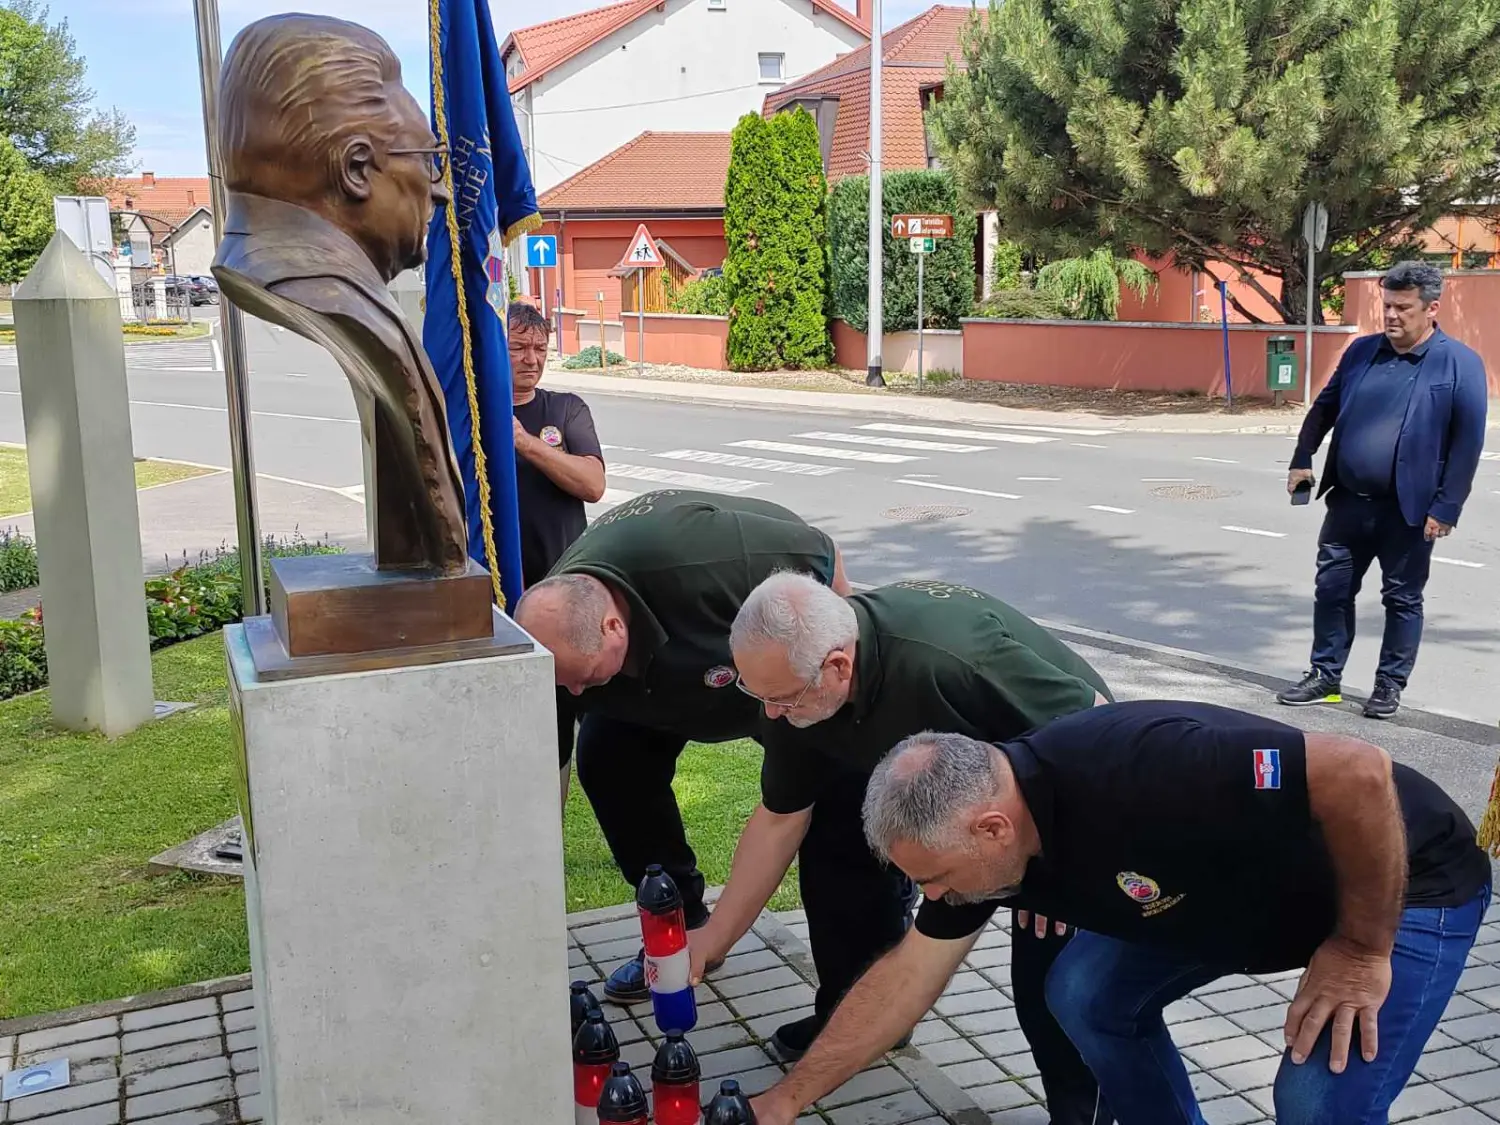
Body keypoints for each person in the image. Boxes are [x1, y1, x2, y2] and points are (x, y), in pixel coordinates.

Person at [746, 701, 1491, 1125]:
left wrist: (1361, 946)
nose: (934, 897)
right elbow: (905, 976)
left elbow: (1356, 770)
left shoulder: (1140, 768)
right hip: (1234, 902)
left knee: (1311, 1100)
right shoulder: (982, 852)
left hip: (1399, 878)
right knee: (1082, 990)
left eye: (935, 878)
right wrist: (787, 1099)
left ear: (992, 828)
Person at [690, 573, 1112, 1120]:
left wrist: (1062, 864)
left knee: (1050, 979)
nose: (769, 714)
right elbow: (779, 818)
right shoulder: (797, 692)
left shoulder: (950, 660)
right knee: (843, 864)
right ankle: (851, 1024)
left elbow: (1098, 731)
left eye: (780, 698)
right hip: (936, 794)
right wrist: (714, 938)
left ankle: (1081, 1110)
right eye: (758, 694)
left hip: (1046, 801)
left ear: (837, 667)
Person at [513, 489, 851, 1004]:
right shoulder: (560, 638)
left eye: (583, 678)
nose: (576, 694)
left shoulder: (706, 560)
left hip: (759, 680)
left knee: (831, 794)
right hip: (655, 689)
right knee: (605, 758)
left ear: (612, 627)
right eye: (567, 685)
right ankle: (678, 934)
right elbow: (548, 770)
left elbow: (823, 556)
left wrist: (834, 699)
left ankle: (853, 980)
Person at [213, 14, 469, 575]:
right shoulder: (342, 304)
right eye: (427, 162)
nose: (441, 190)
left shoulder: (319, 282)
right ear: (356, 170)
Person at [1280, 261, 1488, 719]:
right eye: (1386, 305)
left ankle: (1389, 685)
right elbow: (1324, 408)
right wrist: (1302, 456)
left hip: (1410, 512)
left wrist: (1447, 507)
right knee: (1332, 591)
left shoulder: (1460, 364)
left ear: (1431, 308)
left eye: (1402, 307)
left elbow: (1467, 443)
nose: (1391, 315)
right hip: (1349, 502)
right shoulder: (1361, 352)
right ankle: (1325, 676)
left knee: (1402, 598)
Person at [506, 301, 605, 805]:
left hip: (567, 596)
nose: (531, 359)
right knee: (535, 728)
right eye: (518, 347)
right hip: (501, 596)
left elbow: (593, 484)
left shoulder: (566, 410)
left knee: (600, 725)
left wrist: (528, 446)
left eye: (540, 348)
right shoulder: (472, 413)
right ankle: (545, 834)